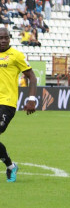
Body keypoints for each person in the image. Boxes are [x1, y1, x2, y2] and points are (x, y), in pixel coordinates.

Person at [0, 28, 37, 182]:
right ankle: (10, 166)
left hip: (7, 102)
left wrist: (32, 99)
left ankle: (10, 166)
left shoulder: (16, 55)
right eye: (0, 38)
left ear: (10, 39)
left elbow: (32, 77)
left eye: (5, 38)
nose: (3, 40)